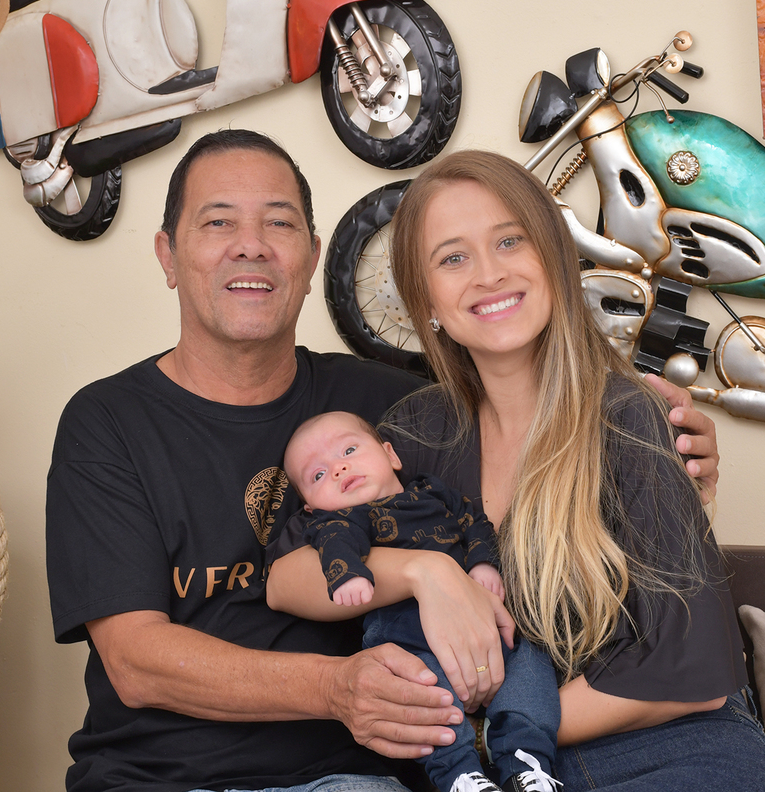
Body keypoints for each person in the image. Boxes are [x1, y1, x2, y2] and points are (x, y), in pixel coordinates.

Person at [45, 129, 723, 792]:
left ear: (312, 258)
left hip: (356, 773)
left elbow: (534, 417)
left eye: (278, 223)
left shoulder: (394, 411)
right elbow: (135, 662)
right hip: (158, 773)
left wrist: (673, 454)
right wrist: (367, 649)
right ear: (167, 255)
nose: (250, 245)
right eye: (218, 222)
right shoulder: (108, 421)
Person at [268, 150, 765, 791]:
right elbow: (287, 578)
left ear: (552, 256)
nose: (489, 274)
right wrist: (425, 573)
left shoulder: (630, 414)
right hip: (500, 766)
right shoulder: (416, 433)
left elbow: (692, 674)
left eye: (509, 241)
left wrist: (496, 731)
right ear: (425, 299)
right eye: (453, 258)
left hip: (664, 748)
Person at [282, 411, 561, 792]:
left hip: (486, 628)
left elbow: (475, 522)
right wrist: (346, 574)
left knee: (531, 664)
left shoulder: (434, 493)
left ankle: (527, 764)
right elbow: (336, 543)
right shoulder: (342, 520)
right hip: (409, 642)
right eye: (317, 475)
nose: (338, 468)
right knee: (421, 699)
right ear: (312, 508)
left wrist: (483, 563)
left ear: (391, 455)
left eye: (348, 450)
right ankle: (460, 776)